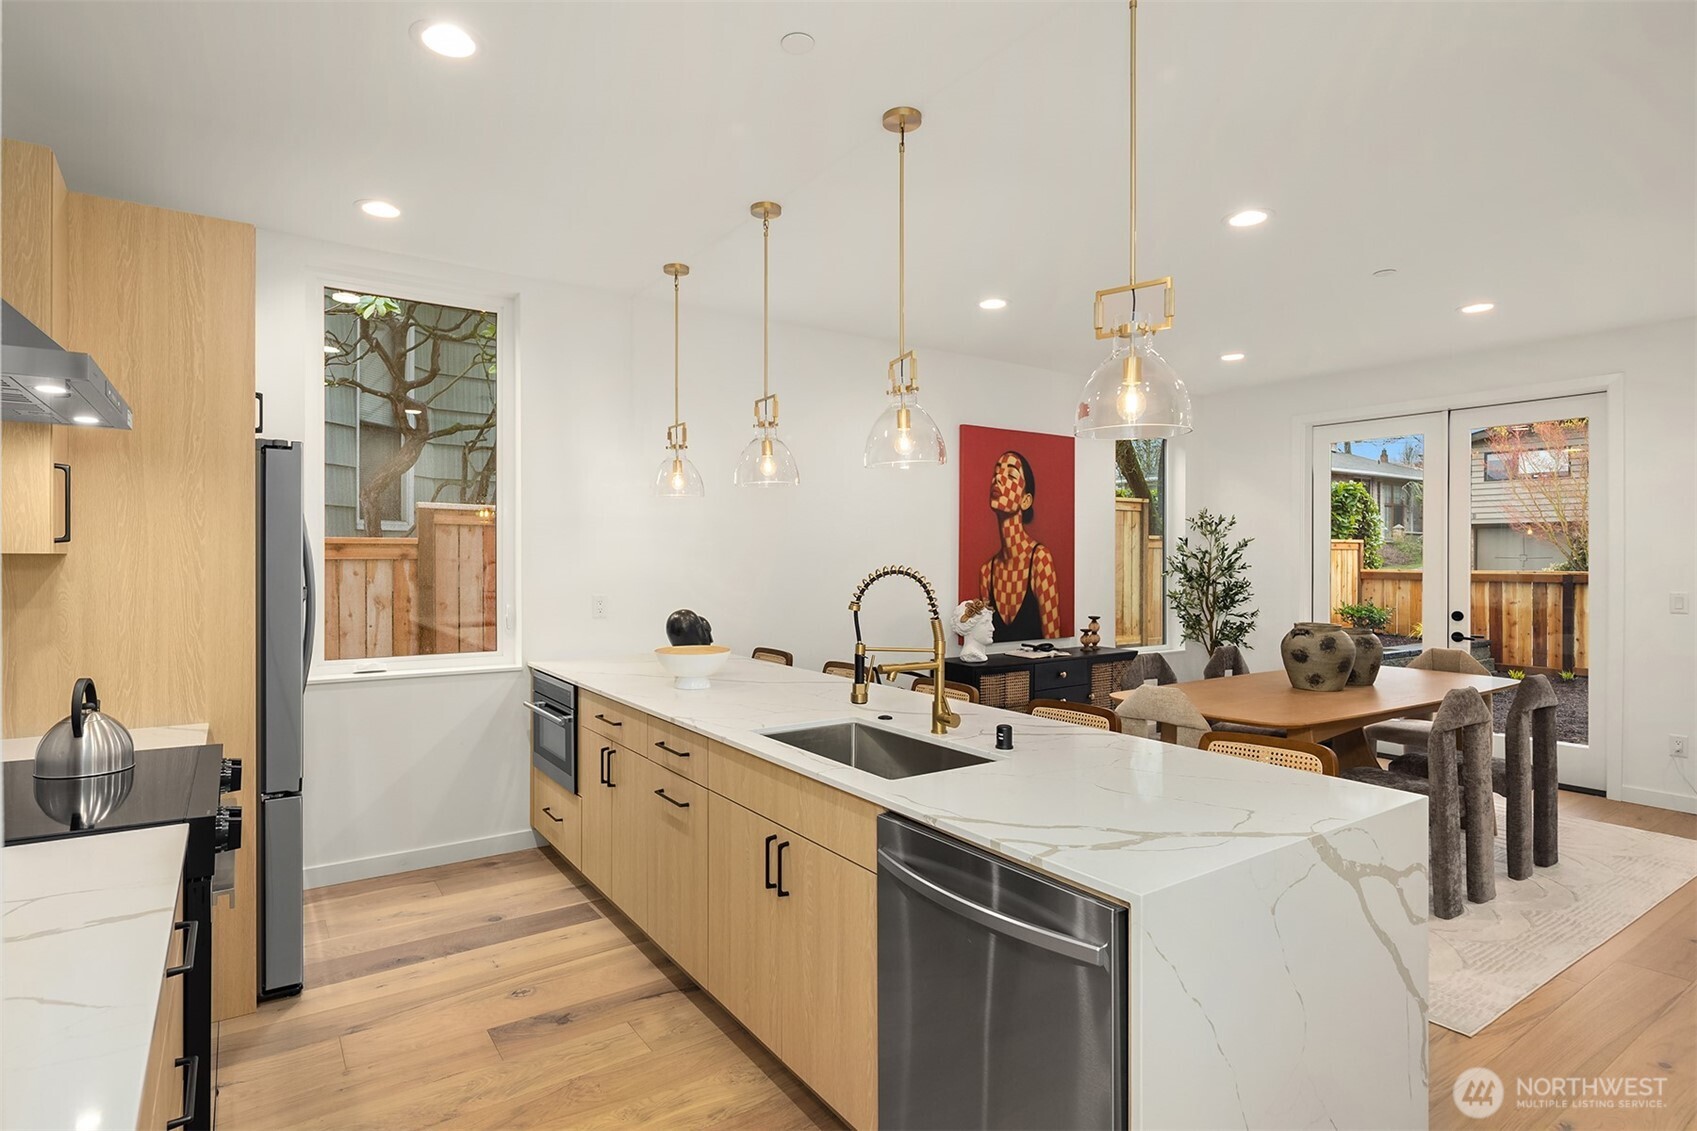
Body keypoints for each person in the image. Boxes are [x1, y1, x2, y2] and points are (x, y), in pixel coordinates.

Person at [977, 450, 1060, 641]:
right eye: (996, 472)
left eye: (1011, 475)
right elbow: (985, 640)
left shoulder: (1040, 560)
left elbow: (1053, 642)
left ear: (1025, 500)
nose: (998, 478)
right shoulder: (986, 573)